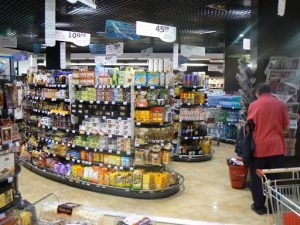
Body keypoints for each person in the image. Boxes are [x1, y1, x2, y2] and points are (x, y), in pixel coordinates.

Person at [247, 83, 289, 215]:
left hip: (260, 148)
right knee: (275, 178)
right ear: (270, 92)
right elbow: (286, 126)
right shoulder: (280, 104)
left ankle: (259, 207)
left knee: (258, 178)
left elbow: (250, 127)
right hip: (277, 148)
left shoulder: (254, 105)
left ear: (258, 92)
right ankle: (273, 206)